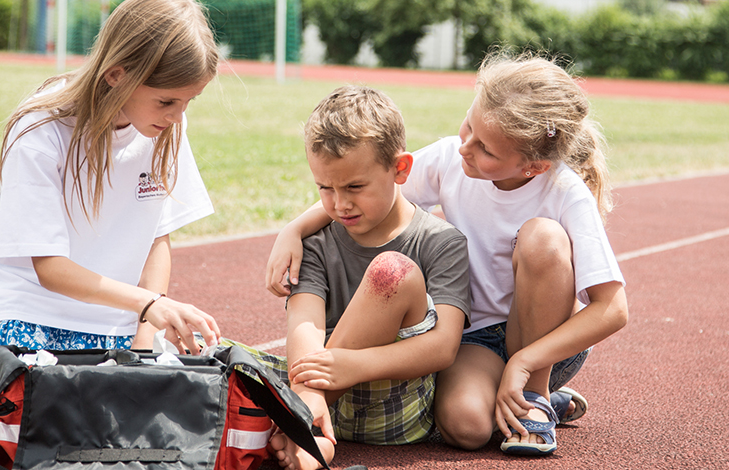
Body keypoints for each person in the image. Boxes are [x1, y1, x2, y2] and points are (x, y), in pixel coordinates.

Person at [265, 54, 629, 456]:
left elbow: (612, 309)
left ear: (532, 167)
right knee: (466, 428)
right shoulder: (452, 156)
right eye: (469, 125)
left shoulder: (564, 191)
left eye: (485, 148)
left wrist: (526, 360)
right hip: (475, 339)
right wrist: (293, 229)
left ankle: (535, 397)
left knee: (542, 237)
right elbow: (374, 186)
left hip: (545, 344)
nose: (466, 148)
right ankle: (501, 395)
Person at [0, 0, 222, 433]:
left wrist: (144, 337)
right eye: (167, 101)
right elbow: (50, 270)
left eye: (190, 102)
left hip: (114, 311)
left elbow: (157, 238)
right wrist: (150, 305)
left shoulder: (165, 126)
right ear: (116, 74)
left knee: (148, 415)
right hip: (28, 302)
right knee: (20, 421)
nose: (178, 117)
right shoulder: (40, 129)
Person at [239, 85, 471, 469]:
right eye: (324, 188)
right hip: (321, 397)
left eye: (354, 187)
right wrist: (313, 390)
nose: (339, 203)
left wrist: (348, 367)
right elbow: (305, 323)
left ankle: (301, 426)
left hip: (394, 407)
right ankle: (310, 432)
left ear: (401, 169)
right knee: (199, 347)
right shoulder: (314, 240)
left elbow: (443, 347)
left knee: (391, 272)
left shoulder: (442, 241)